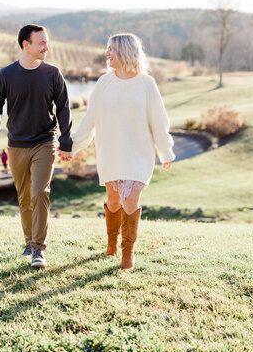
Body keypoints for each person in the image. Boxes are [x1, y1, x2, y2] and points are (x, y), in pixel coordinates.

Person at [65, 33, 175, 272]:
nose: (106, 54)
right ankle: (111, 243)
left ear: (125, 52)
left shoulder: (147, 84)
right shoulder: (104, 82)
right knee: (114, 201)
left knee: (131, 200)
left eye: (111, 49)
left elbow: (159, 120)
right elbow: (90, 117)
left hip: (139, 154)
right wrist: (73, 147)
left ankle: (128, 254)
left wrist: (165, 151)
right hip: (111, 152)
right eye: (107, 49)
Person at [0, 24, 72, 268]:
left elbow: (64, 109)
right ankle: (28, 242)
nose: (47, 47)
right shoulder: (7, 74)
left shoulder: (53, 74)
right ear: (26, 44)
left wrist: (65, 141)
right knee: (24, 198)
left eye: (47, 42)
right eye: (41, 42)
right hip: (17, 145)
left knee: (40, 192)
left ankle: (38, 249)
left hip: (45, 141)